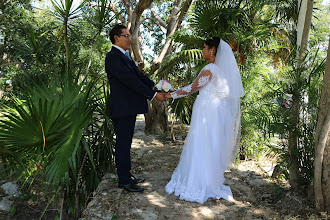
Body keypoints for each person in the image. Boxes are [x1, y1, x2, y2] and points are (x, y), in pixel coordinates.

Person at [165, 37, 245, 203]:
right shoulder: (223, 71)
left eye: (205, 48)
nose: (202, 51)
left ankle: (197, 182)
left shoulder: (210, 68)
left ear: (212, 50)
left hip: (206, 113)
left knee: (200, 144)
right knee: (211, 146)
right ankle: (209, 181)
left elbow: (192, 88)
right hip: (215, 114)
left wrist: (169, 94)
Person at [105, 24, 167, 193]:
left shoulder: (125, 56)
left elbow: (139, 76)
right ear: (116, 38)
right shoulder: (113, 57)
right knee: (123, 144)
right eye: (126, 36)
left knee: (126, 143)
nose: (130, 39)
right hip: (122, 108)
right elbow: (129, 81)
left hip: (129, 108)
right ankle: (124, 181)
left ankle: (127, 175)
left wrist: (156, 87)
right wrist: (153, 96)